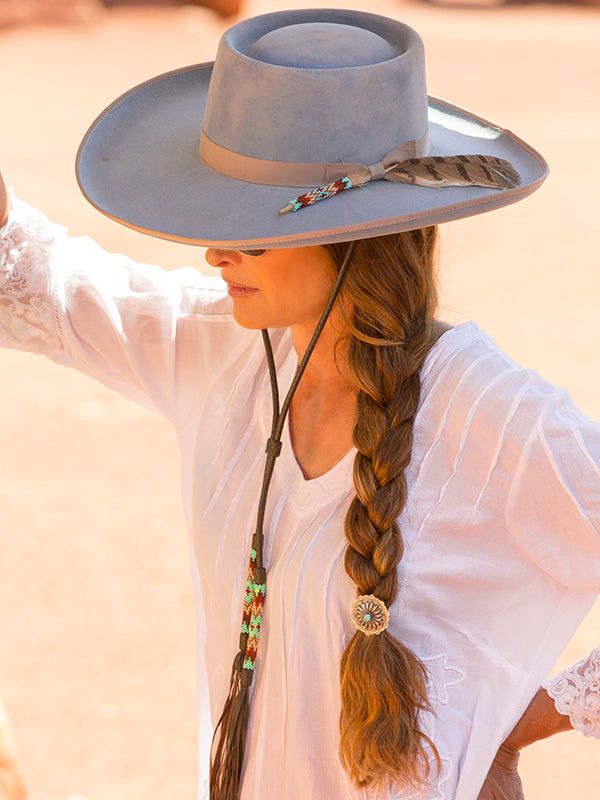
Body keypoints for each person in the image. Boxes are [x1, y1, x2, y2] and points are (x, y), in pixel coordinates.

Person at [1, 8, 599, 800]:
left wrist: (525, 715)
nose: (213, 253)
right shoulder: (226, 348)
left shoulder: (494, 417)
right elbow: (39, 281)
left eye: (248, 230)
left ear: (360, 233)